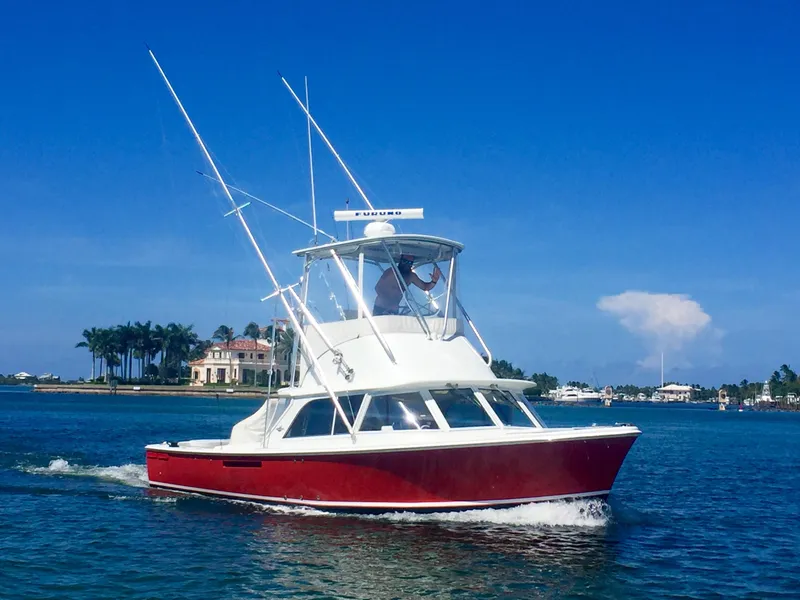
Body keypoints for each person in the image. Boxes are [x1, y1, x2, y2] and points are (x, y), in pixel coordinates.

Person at [373, 254, 441, 316]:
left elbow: (425, 287)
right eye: (405, 261)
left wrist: (434, 281)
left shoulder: (411, 276)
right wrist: (389, 303)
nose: (407, 264)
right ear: (401, 261)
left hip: (394, 310)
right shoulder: (391, 272)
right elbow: (377, 288)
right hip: (381, 308)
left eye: (410, 263)